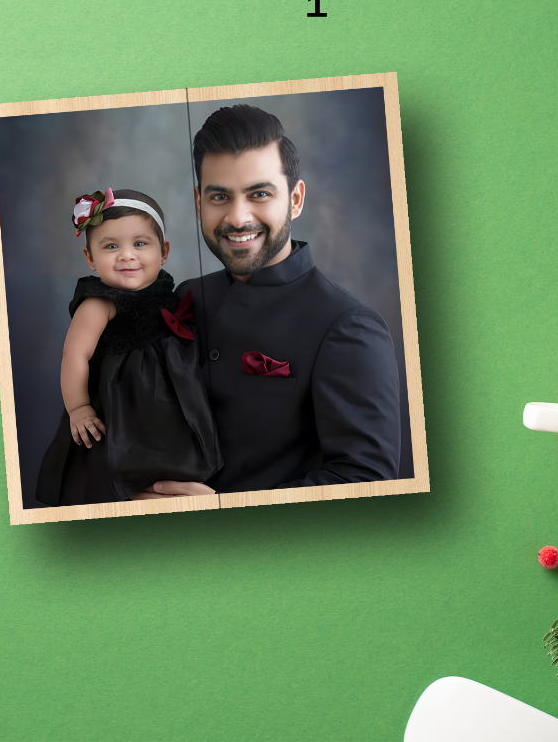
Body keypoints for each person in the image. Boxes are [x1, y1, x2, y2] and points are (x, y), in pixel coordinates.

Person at [154, 104, 401, 495]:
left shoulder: (349, 325)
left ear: (296, 199)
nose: (238, 218)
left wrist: (222, 512)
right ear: (199, 202)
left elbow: (365, 482)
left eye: (260, 194)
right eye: (220, 197)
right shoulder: (184, 297)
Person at [35, 188, 222, 506]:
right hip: (124, 401)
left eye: (140, 243)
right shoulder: (99, 302)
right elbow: (75, 354)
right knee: (122, 464)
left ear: (162, 252)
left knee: (178, 450)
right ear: (90, 258)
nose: (127, 255)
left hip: (167, 397)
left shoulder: (166, 289)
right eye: (111, 246)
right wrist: (78, 408)